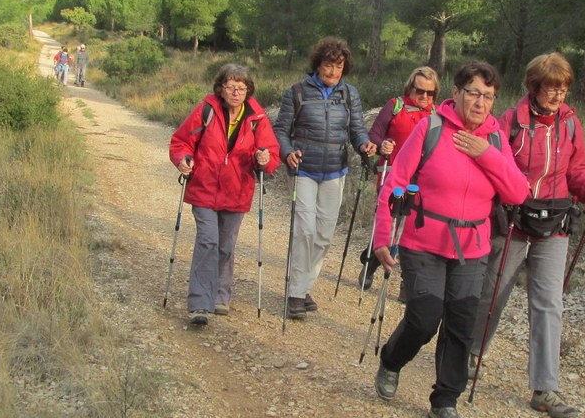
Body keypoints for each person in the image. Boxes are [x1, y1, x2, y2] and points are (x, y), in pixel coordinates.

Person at [371, 61, 528, 418]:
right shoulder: (432, 128)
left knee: (460, 324)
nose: (481, 103)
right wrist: (381, 238)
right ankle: (392, 360)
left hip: (472, 246)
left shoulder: (493, 140)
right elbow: (395, 183)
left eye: (488, 96)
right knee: (424, 319)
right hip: (424, 241)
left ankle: (445, 400)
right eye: (473, 93)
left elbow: (518, 192)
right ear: (455, 93)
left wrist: (483, 154)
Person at [469, 52, 585, 418]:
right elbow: (495, 167)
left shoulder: (569, 124)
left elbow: (577, 170)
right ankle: (469, 356)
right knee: (493, 292)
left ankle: (545, 388)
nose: (558, 95)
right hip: (514, 220)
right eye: (551, 88)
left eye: (563, 89)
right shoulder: (509, 122)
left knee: (549, 303)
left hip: (556, 222)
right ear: (534, 87)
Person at [273, 37, 377, 319]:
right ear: (318, 64)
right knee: (305, 230)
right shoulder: (295, 92)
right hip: (303, 169)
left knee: (323, 236)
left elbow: (357, 130)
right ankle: (295, 294)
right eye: (328, 65)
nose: (332, 72)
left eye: (338, 66)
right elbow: (281, 130)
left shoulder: (349, 94)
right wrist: (287, 152)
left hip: (335, 171)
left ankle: (304, 286)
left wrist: (365, 144)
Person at [169, 64, 281, 326]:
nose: (236, 92)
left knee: (226, 245)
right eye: (230, 87)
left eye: (241, 88)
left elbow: (271, 154)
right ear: (220, 88)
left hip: (237, 191)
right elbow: (181, 142)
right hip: (204, 188)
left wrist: (264, 158)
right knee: (208, 241)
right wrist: (183, 159)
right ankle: (200, 303)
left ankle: (221, 295)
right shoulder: (206, 110)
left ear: (248, 91)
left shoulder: (257, 117)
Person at [360, 66, 440, 292]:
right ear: (410, 88)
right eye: (419, 91)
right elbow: (374, 134)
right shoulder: (395, 106)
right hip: (392, 172)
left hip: (422, 179)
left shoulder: (437, 114)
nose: (424, 97)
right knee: (389, 221)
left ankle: (407, 282)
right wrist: (382, 146)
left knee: (412, 229)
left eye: (430, 93)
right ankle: (370, 262)